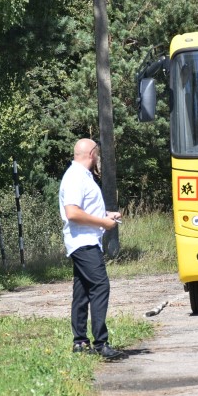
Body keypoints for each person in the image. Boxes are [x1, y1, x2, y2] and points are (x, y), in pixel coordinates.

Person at [59, 138, 125, 359]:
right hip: (83, 242)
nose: (98, 157)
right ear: (92, 153)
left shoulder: (82, 176)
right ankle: (101, 343)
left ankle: (80, 342)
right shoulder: (75, 177)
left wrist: (106, 215)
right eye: (97, 153)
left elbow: (83, 209)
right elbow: (72, 213)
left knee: (82, 291)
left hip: (85, 241)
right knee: (100, 286)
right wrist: (103, 223)